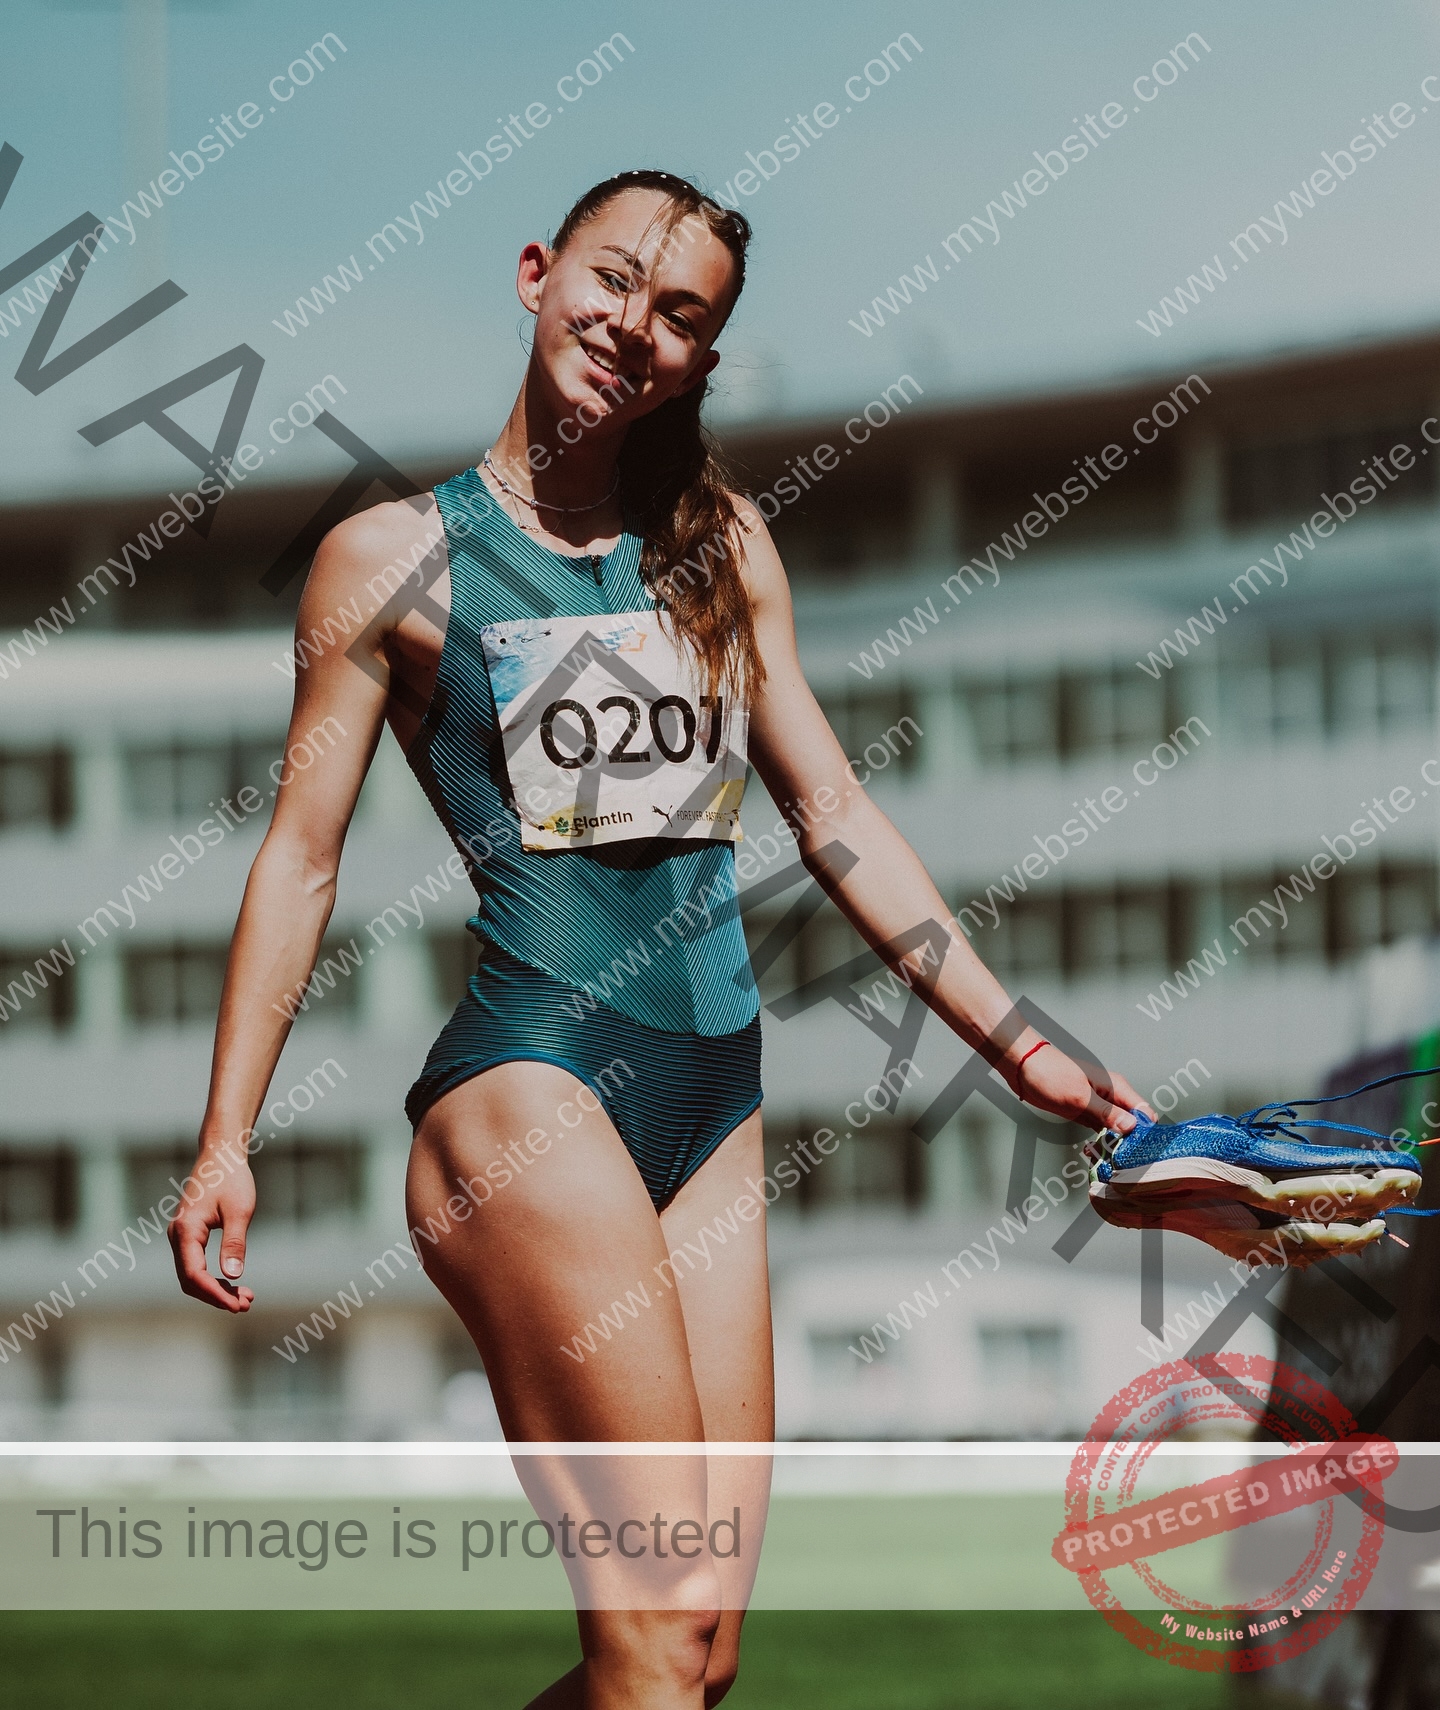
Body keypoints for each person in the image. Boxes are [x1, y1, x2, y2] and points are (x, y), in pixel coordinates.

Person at [169, 169, 1151, 1708]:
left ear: (700, 361)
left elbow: (830, 813)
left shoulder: (719, 547)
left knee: (699, 1654)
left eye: (679, 314)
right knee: (655, 1610)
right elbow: (300, 857)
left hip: (717, 1099)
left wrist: (1016, 1038)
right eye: (614, 282)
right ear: (537, 273)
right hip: (530, 1081)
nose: (634, 325)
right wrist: (228, 1133)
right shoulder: (389, 560)